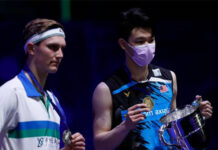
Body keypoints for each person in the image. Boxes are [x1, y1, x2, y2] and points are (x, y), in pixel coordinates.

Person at [92, 8, 213, 150]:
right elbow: (99, 145)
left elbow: (174, 130)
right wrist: (125, 126)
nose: (148, 46)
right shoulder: (106, 90)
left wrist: (194, 117)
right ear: (123, 44)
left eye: (151, 40)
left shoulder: (169, 78)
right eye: (140, 41)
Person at [0, 18, 85, 150]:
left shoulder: (53, 101)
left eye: (62, 48)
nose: (60, 55)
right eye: (53, 47)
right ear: (31, 49)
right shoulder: (10, 93)